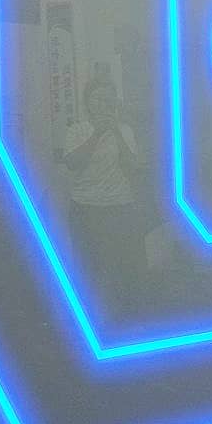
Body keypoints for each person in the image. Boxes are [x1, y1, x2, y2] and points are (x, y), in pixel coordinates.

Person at [64, 74, 140, 312]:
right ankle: (89, 315)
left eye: (108, 99)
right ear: (88, 102)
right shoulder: (77, 130)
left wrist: (115, 131)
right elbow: (72, 163)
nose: (103, 104)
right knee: (87, 267)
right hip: (85, 207)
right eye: (97, 99)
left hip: (119, 206)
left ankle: (121, 314)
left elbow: (133, 167)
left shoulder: (125, 130)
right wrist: (97, 133)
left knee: (120, 267)